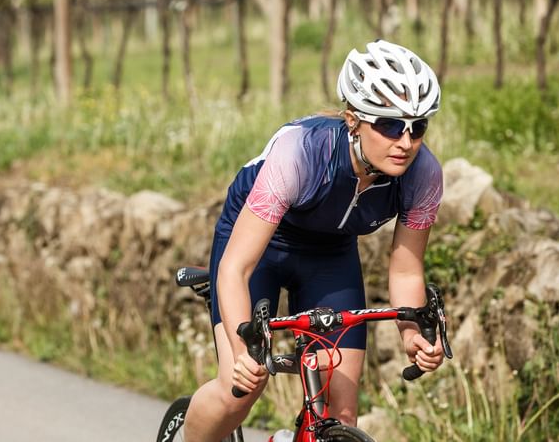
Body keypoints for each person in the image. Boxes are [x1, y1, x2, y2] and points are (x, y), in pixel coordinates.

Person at [183, 40, 446, 441]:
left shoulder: (424, 174)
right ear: (353, 120)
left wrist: (411, 334)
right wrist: (242, 356)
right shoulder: (303, 152)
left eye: (418, 127)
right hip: (261, 246)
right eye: (391, 125)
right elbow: (236, 269)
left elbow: (407, 266)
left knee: (340, 412)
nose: (406, 142)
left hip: (331, 253)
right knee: (240, 390)